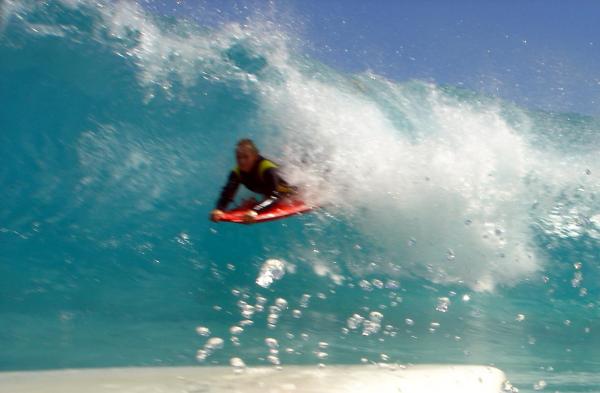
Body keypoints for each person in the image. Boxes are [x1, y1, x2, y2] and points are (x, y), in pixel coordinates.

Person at [210, 139, 295, 223]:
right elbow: (227, 194)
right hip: (270, 192)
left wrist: (255, 210)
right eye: (238, 157)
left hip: (290, 188)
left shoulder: (267, 169)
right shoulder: (236, 173)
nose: (241, 161)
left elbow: (274, 197)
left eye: (246, 157)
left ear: (255, 156)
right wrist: (219, 209)